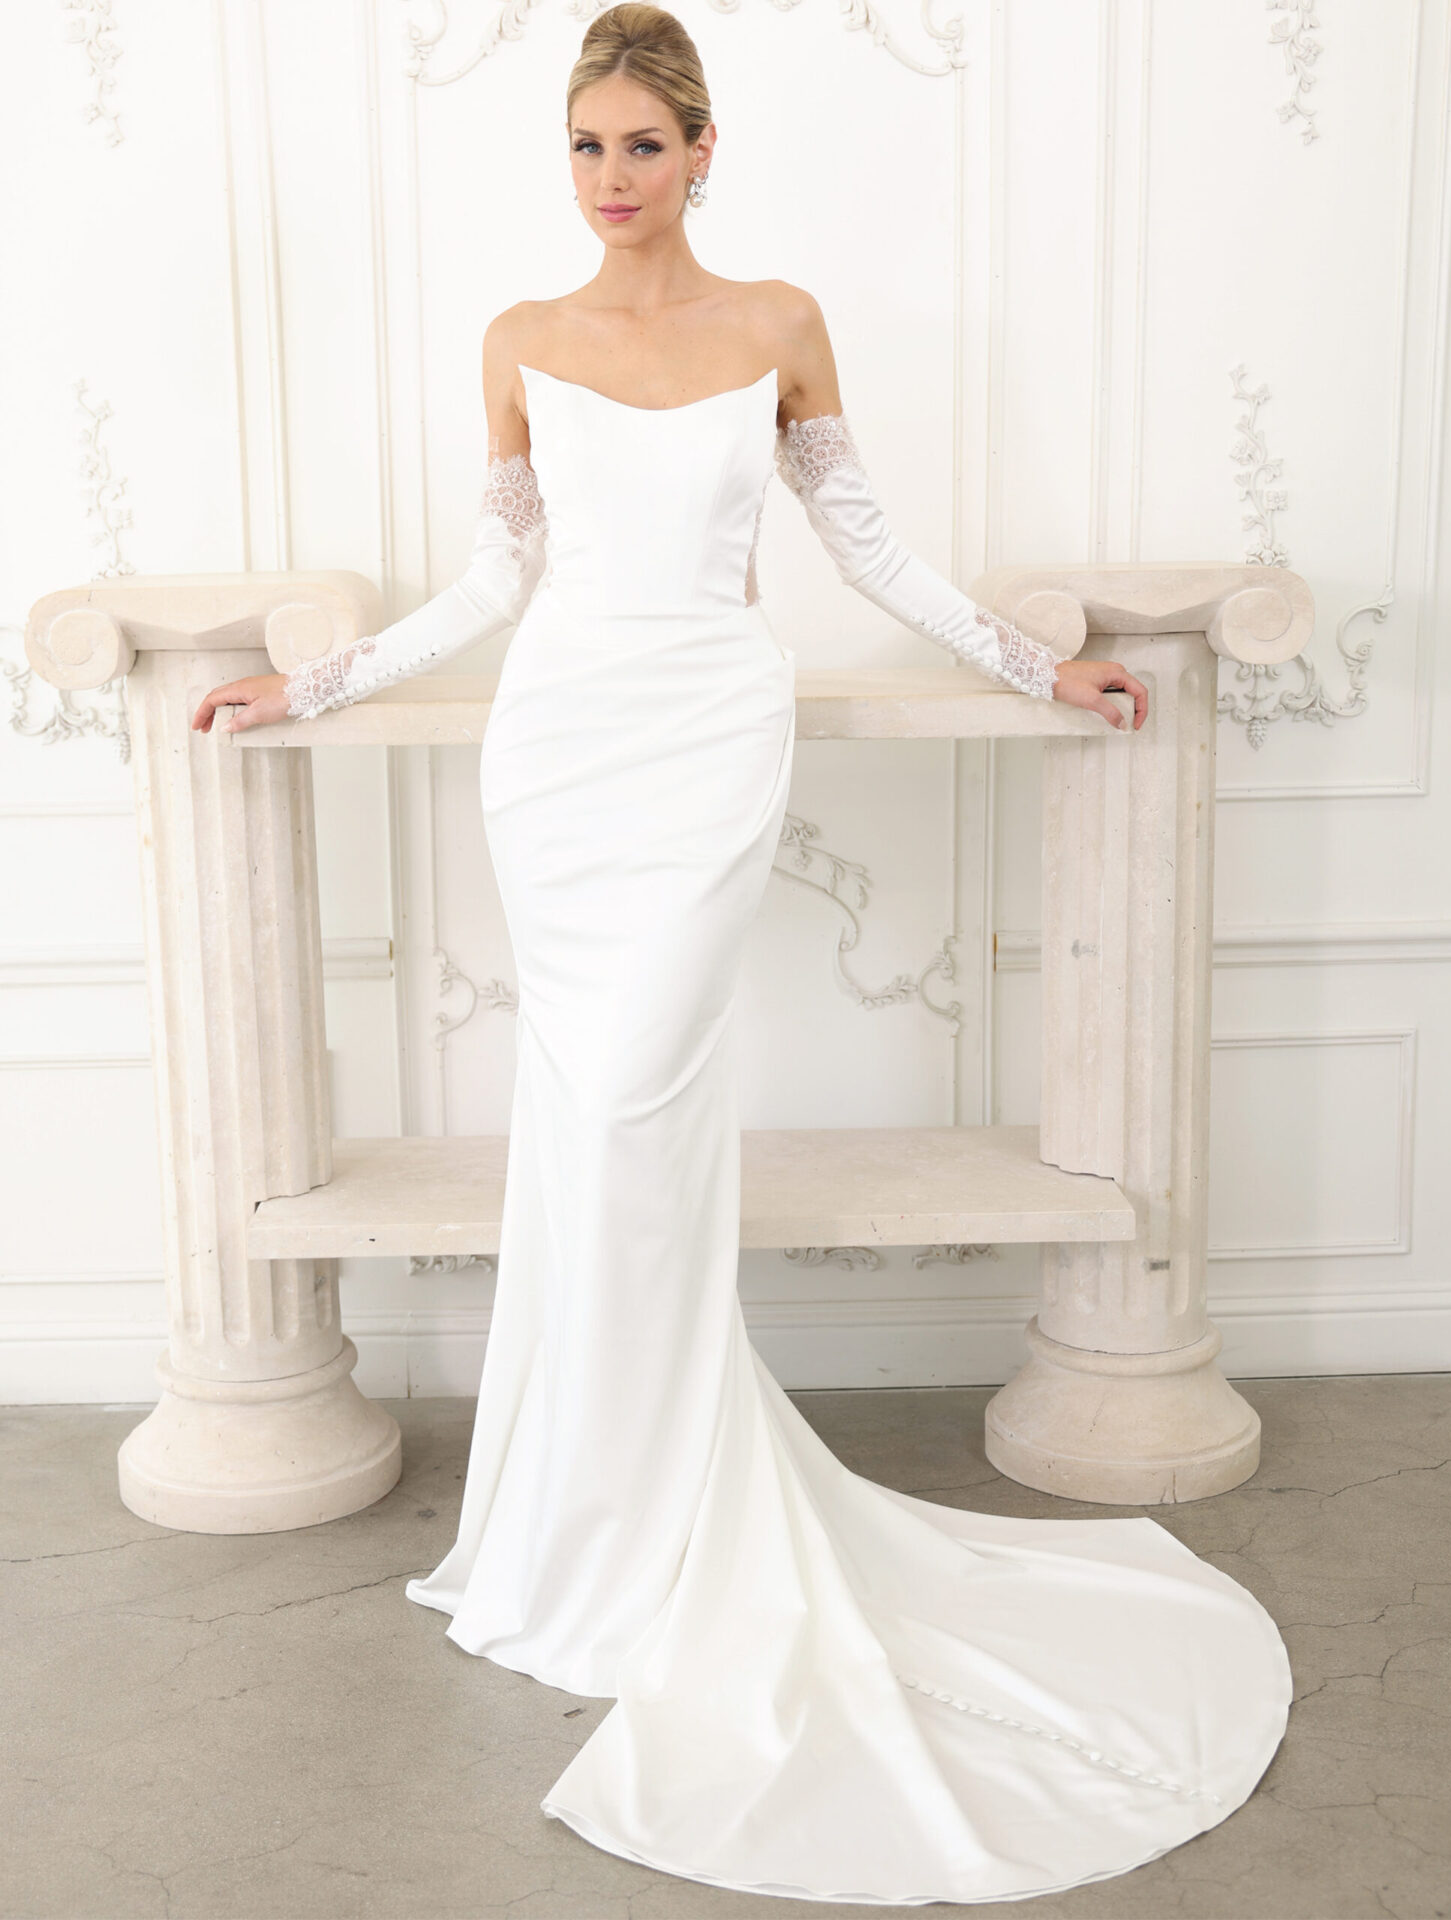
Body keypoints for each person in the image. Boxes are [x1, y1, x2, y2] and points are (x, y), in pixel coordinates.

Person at [192, 6, 1290, 1903]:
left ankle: (658, 1518)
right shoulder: (521, 344)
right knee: (583, 1121)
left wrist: (1045, 667)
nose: (609, 183)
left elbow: (871, 546)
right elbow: (494, 576)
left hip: (706, 743)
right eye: (583, 149)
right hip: (558, 755)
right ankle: (577, 1527)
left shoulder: (778, 324)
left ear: (705, 152)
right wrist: (316, 681)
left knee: (637, 1109)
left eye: (640, 146)